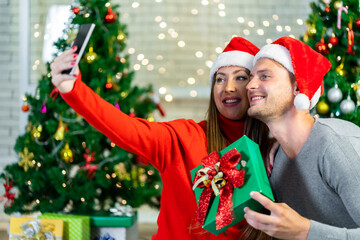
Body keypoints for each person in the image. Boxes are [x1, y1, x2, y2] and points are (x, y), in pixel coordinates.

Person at [50, 36, 273, 240]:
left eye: (240, 78)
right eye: (220, 80)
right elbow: (126, 128)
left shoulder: (272, 152)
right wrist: (73, 90)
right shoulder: (183, 138)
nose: (229, 88)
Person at [244, 36, 360, 239]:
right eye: (251, 77)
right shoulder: (275, 161)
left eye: (264, 77)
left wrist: (305, 231)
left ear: (298, 87)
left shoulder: (336, 145)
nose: (249, 85)